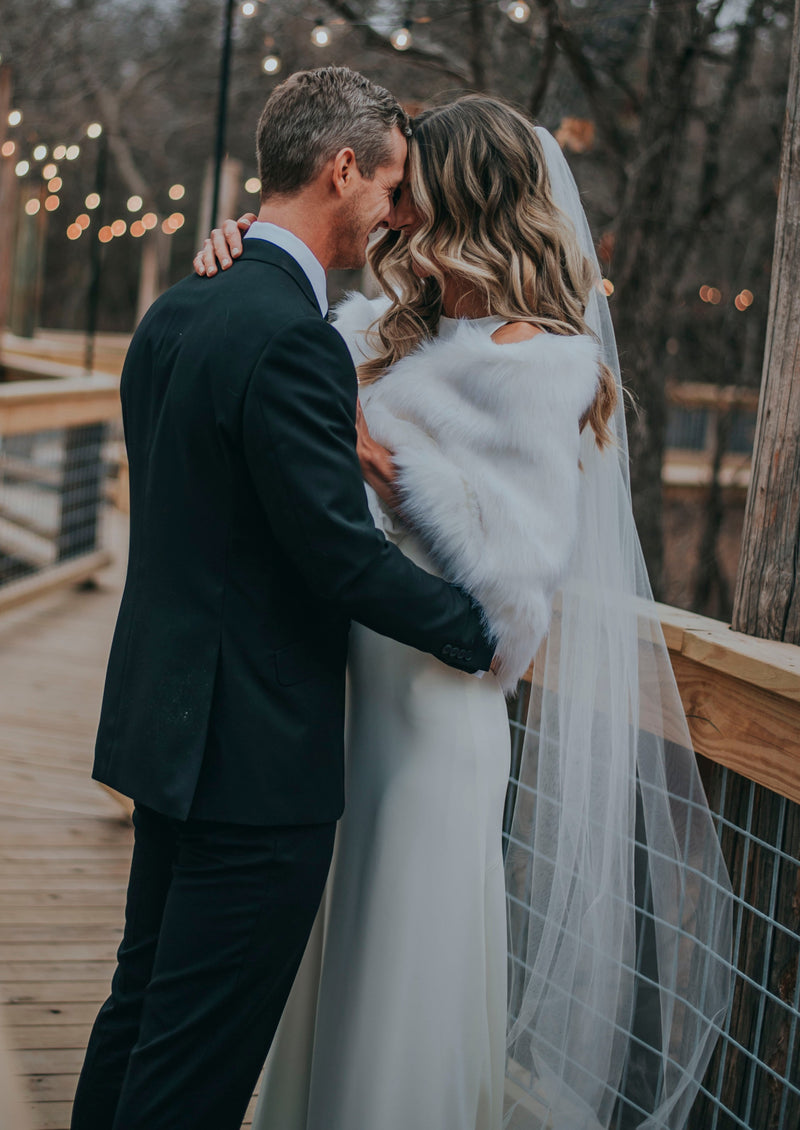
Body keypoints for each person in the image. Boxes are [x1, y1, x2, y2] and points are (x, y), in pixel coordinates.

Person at [197, 97, 732, 1130]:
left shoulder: (542, 366)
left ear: (461, 202)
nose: (389, 212)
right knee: (331, 958)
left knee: (403, 963)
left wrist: (390, 473)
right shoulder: (369, 330)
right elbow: (271, 389)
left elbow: (509, 593)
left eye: (407, 193)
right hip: (337, 693)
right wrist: (242, 251)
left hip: (435, 711)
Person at [69, 68, 497, 1130]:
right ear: (340, 168)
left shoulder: (176, 311)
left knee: (137, 1019)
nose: (396, 214)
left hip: (164, 739)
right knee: (193, 1069)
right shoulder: (293, 339)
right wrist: (481, 626)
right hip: (251, 770)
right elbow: (340, 558)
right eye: (390, 186)